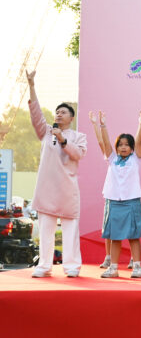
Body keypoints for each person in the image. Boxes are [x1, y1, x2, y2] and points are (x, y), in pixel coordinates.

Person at [27, 71, 87, 278]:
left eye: (63, 112)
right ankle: (44, 266)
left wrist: (62, 139)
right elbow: (36, 113)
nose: (59, 114)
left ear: (71, 117)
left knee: (70, 231)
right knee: (45, 231)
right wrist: (31, 85)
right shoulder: (46, 132)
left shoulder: (78, 136)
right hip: (46, 188)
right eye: (57, 112)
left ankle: (71, 266)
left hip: (67, 190)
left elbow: (77, 154)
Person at [90, 109, 141, 278]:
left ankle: (137, 267)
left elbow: (139, 140)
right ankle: (113, 268)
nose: (123, 147)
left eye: (127, 145)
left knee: (133, 237)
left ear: (132, 148)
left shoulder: (135, 159)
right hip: (114, 201)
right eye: (120, 144)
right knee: (115, 237)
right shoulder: (112, 159)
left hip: (131, 201)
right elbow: (104, 143)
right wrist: (102, 125)